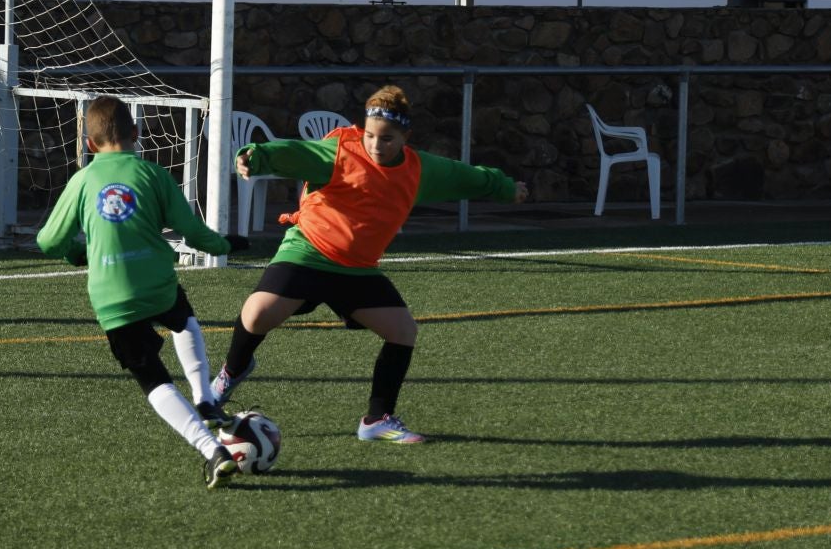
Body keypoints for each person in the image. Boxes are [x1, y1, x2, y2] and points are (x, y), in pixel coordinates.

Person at [212, 84, 527, 443]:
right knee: (256, 314)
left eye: (387, 138)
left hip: (356, 269)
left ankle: (377, 420)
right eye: (371, 135)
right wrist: (254, 155)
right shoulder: (338, 152)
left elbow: (464, 177)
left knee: (403, 331)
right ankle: (231, 373)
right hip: (308, 252)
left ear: (406, 137)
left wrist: (505, 188)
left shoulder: (419, 170)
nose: (376, 145)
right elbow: (293, 152)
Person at [35, 95, 251, 488]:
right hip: (158, 285)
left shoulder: (82, 181)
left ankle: (211, 449)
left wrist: (75, 253)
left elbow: (48, 241)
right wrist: (224, 245)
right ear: (136, 134)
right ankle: (205, 398)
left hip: (113, 298)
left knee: (153, 379)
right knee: (182, 318)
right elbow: (193, 230)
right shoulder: (153, 175)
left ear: (88, 144)